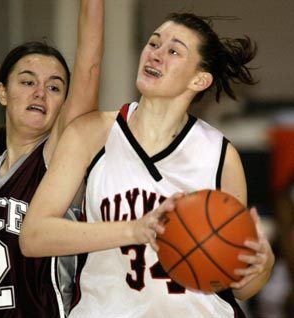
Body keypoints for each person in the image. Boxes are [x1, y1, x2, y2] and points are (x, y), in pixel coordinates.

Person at [20, 12, 275, 318]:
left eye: (174, 51)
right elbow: (33, 236)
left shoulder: (220, 153)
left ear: (199, 79)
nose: (156, 54)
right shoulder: (91, 133)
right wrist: (135, 230)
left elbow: (237, 284)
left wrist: (260, 267)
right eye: (154, 43)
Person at [0, 0, 103, 317]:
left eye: (54, 88)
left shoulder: (59, 159)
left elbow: (89, 67)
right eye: (27, 82)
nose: (40, 93)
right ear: (3, 92)